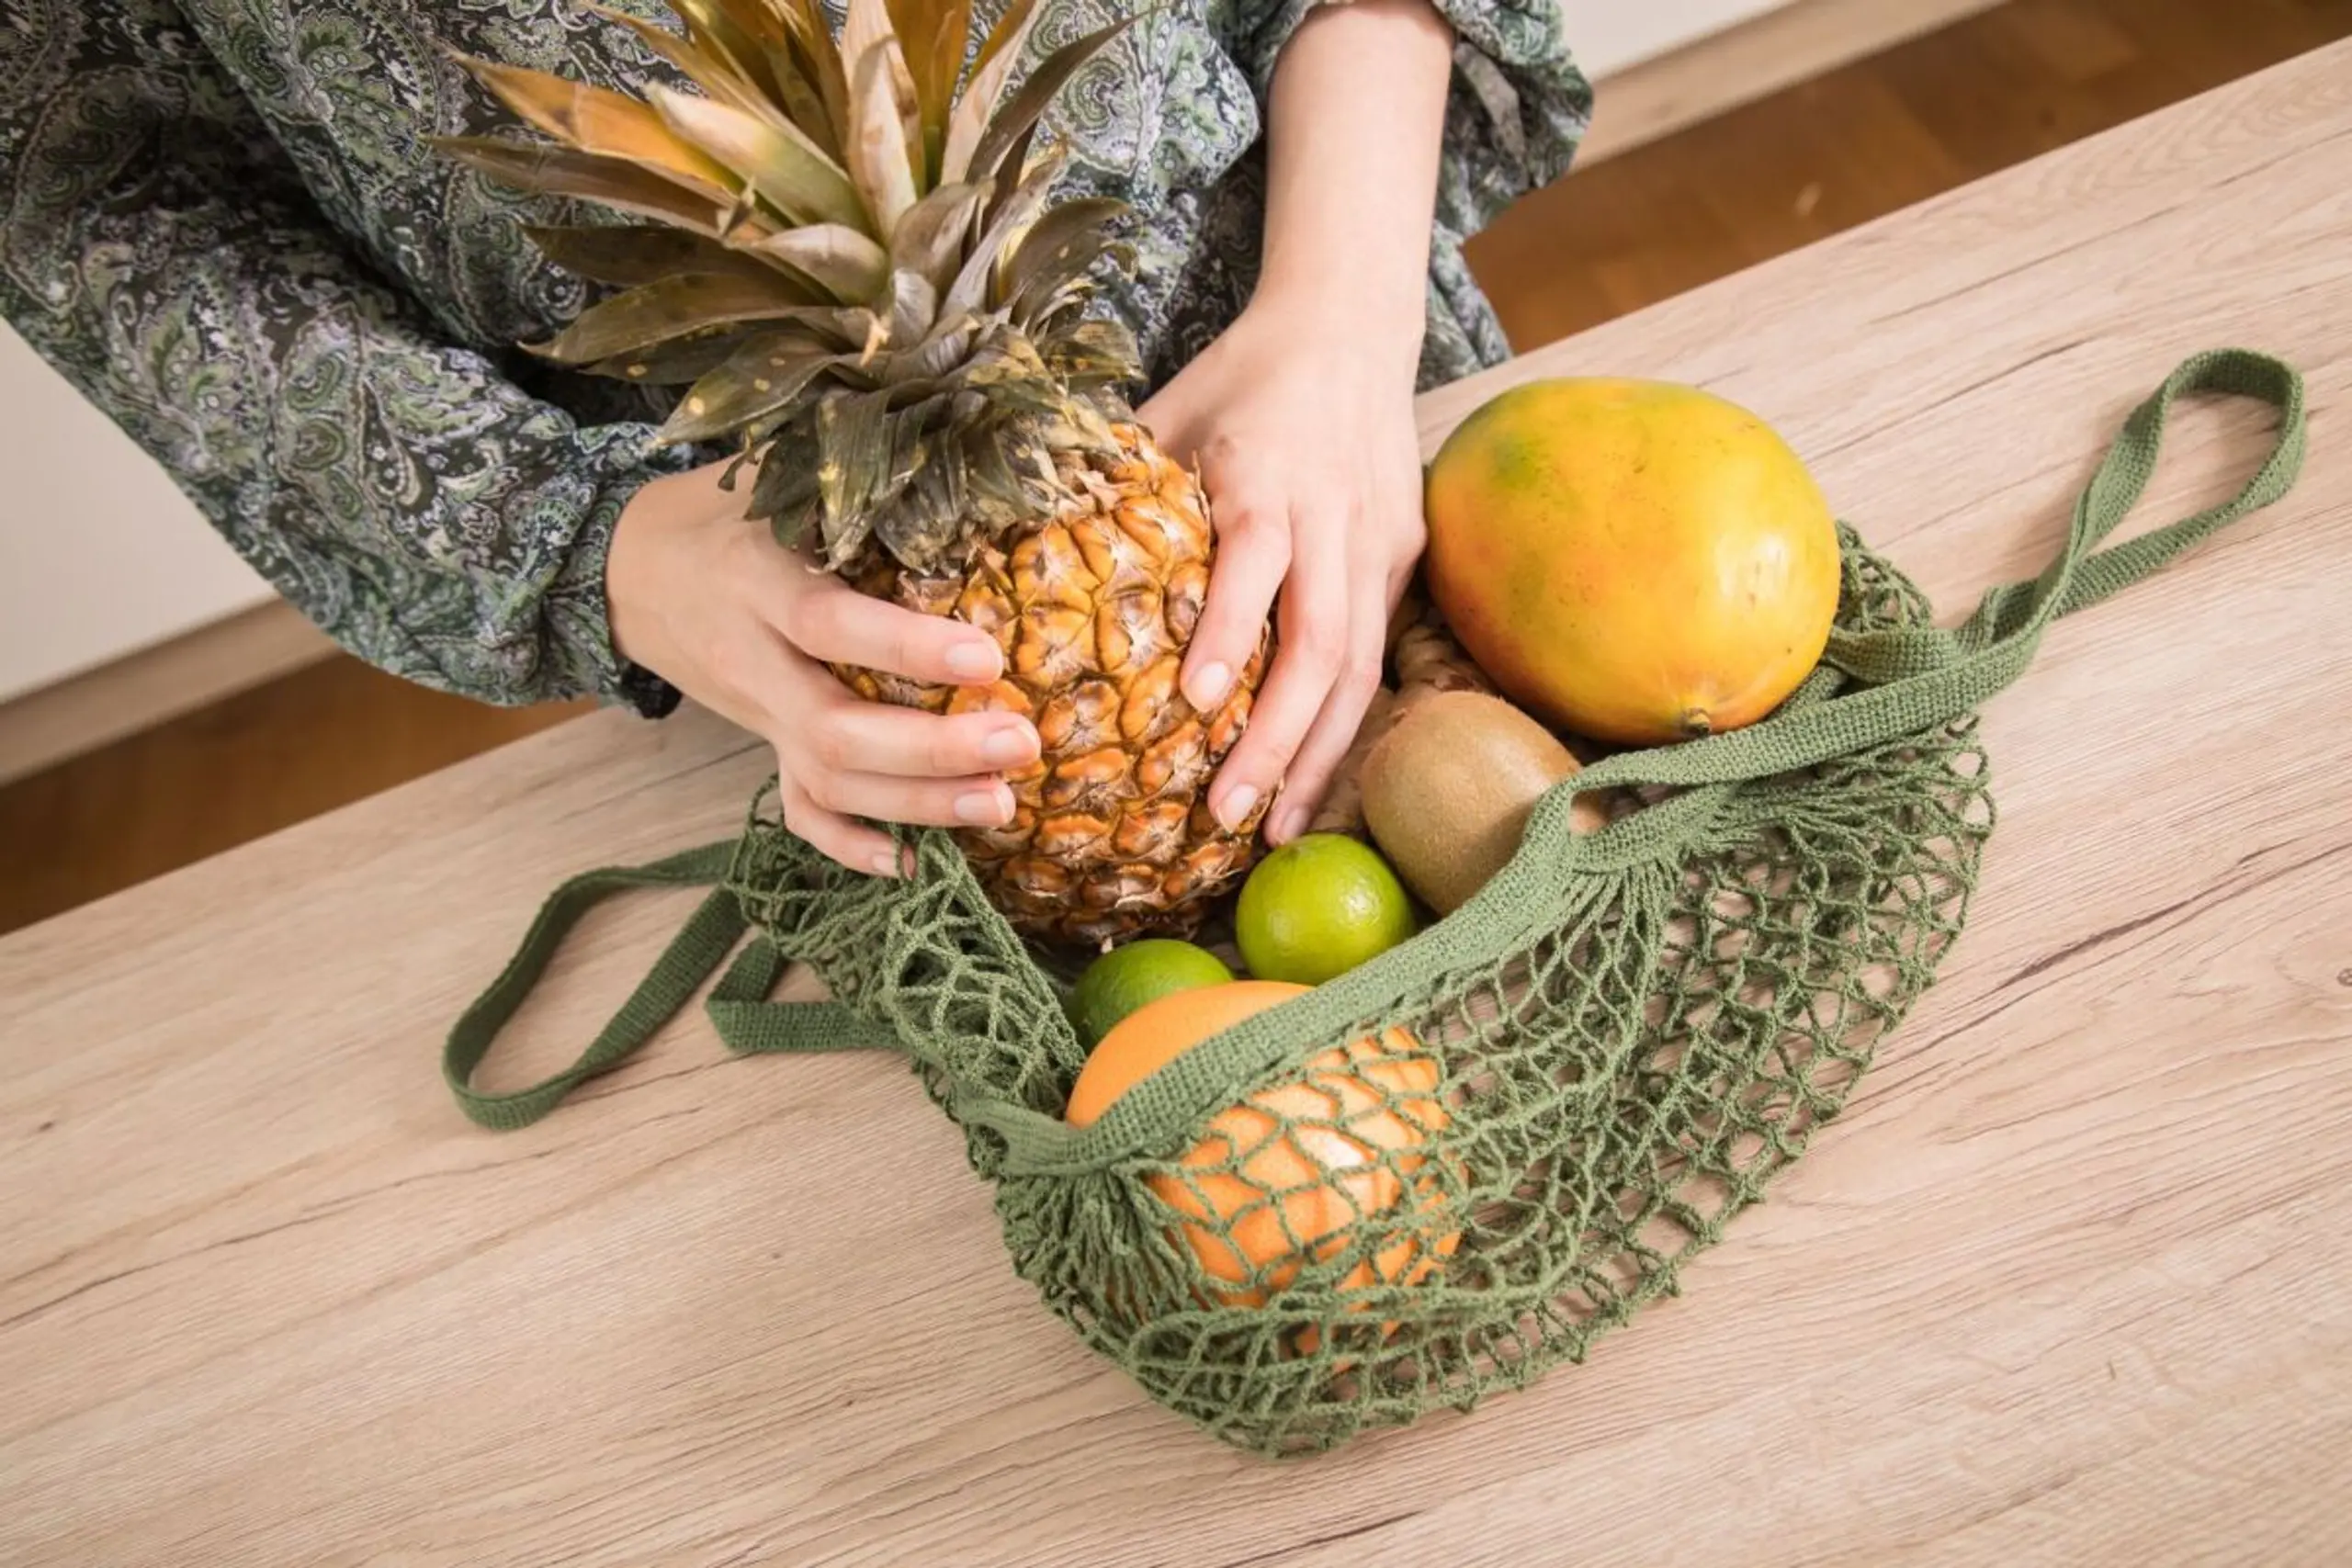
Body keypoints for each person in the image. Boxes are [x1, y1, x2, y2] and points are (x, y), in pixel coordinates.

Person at [0, 0, 1589, 873]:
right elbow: (95, 190)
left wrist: (1340, 305)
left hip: (1338, 373)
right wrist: (591, 546)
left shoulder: (1338, 324)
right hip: (809, 628)